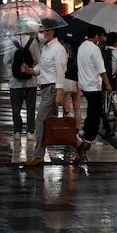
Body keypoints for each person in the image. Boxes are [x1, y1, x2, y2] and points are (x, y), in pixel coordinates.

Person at [21, 25, 68, 167]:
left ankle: (38, 156)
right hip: (46, 89)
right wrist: (30, 70)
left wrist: (59, 92)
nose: (40, 34)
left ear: (51, 32)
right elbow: (42, 67)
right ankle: (79, 144)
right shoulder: (47, 48)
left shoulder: (58, 49)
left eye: (43, 31)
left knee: (40, 121)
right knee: (47, 123)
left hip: (53, 89)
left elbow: (60, 72)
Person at [74, 25, 114, 163]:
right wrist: (108, 84)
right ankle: (86, 142)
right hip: (93, 86)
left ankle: (85, 134)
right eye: (101, 36)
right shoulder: (95, 49)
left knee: (92, 111)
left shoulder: (82, 47)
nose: (102, 39)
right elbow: (101, 69)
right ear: (97, 36)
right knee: (95, 116)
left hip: (84, 85)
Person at [3, 33, 40, 141]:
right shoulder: (33, 41)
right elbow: (38, 60)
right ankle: (30, 131)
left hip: (15, 82)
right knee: (30, 107)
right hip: (31, 81)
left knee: (16, 108)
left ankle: (17, 132)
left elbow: (5, 61)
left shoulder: (9, 42)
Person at [62, 41, 82, 134]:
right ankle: (76, 128)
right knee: (77, 106)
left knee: (66, 106)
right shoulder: (80, 55)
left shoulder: (66, 53)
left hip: (68, 80)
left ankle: (67, 125)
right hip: (78, 81)